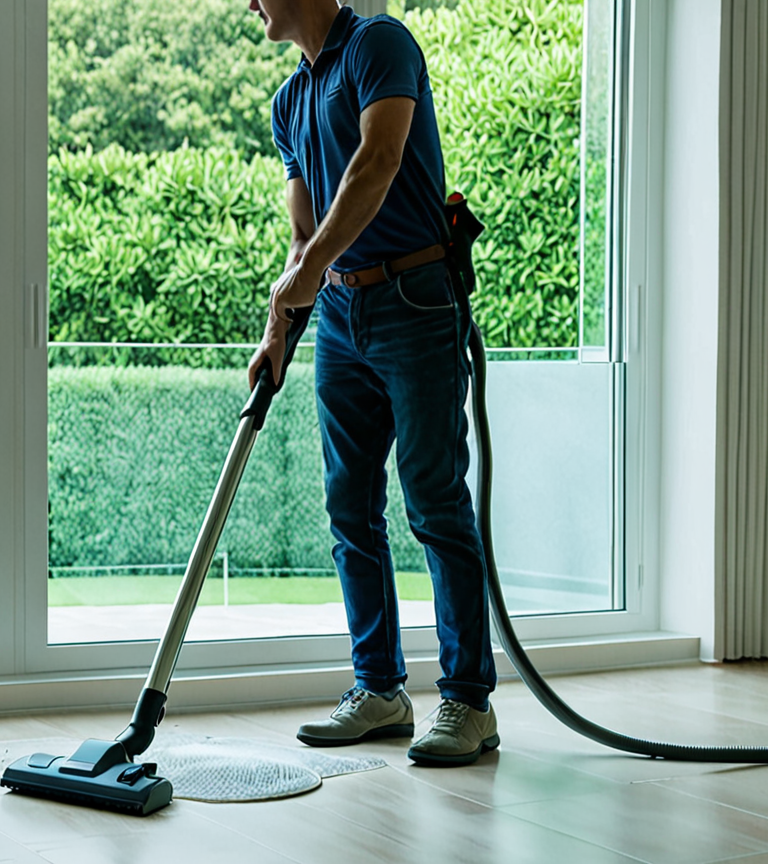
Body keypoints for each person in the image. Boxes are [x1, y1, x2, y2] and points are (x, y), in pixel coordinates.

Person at [245, 0, 499, 767]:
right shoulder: (289, 101)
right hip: (342, 312)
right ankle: (381, 690)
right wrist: (278, 324)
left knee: (434, 501)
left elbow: (379, 162)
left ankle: (469, 702)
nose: (246, 1)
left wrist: (312, 272)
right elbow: (303, 234)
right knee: (350, 504)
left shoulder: (378, 44)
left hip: (414, 299)